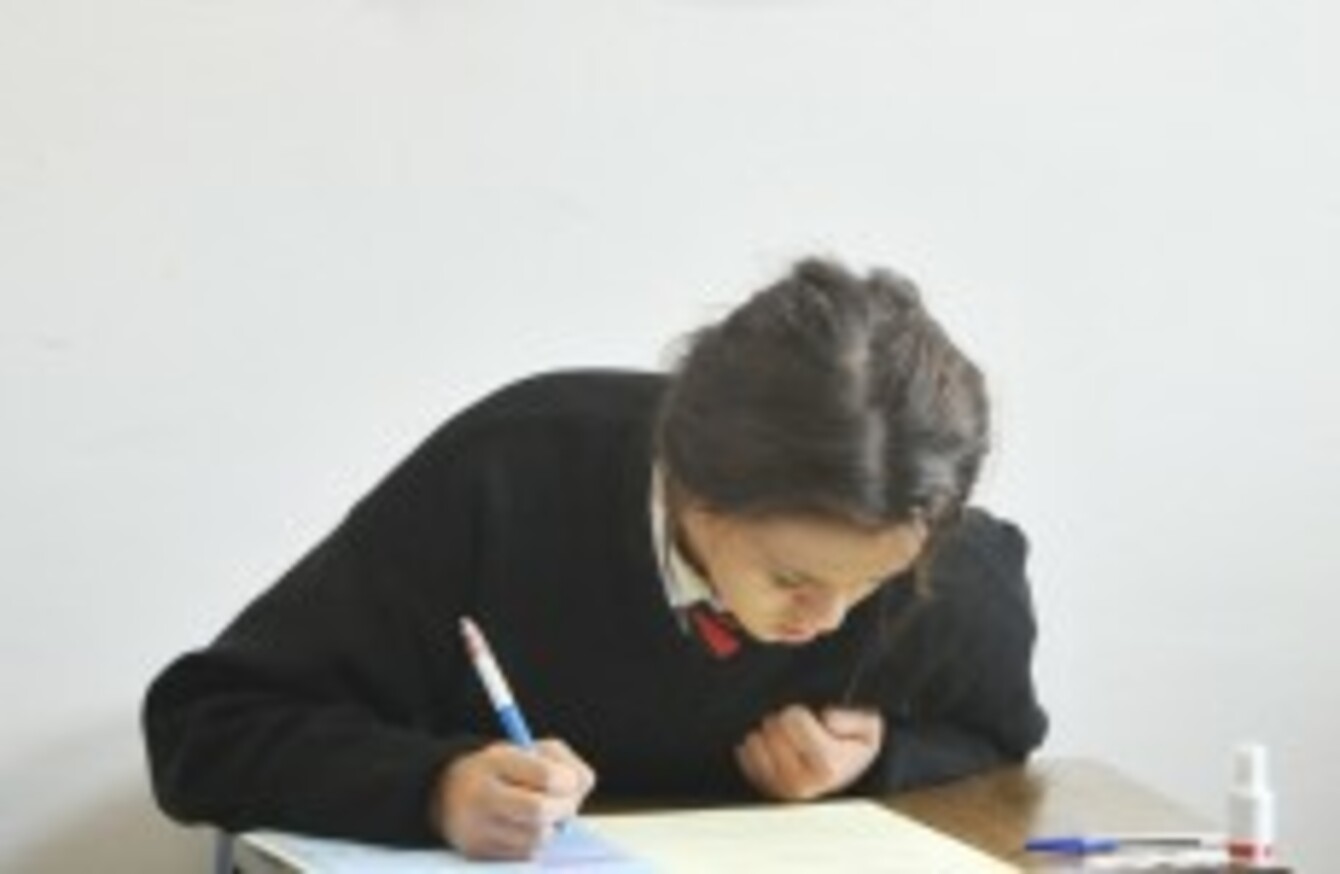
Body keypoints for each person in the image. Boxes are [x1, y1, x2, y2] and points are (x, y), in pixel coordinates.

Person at [143, 257, 1047, 861]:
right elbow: (204, 731)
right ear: (693, 486)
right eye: (791, 579)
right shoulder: (506, 478)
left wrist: (879, 758)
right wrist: (434, 789)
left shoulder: (944, 566)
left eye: (874, 583)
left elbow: (1001, 740)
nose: (830, 621)